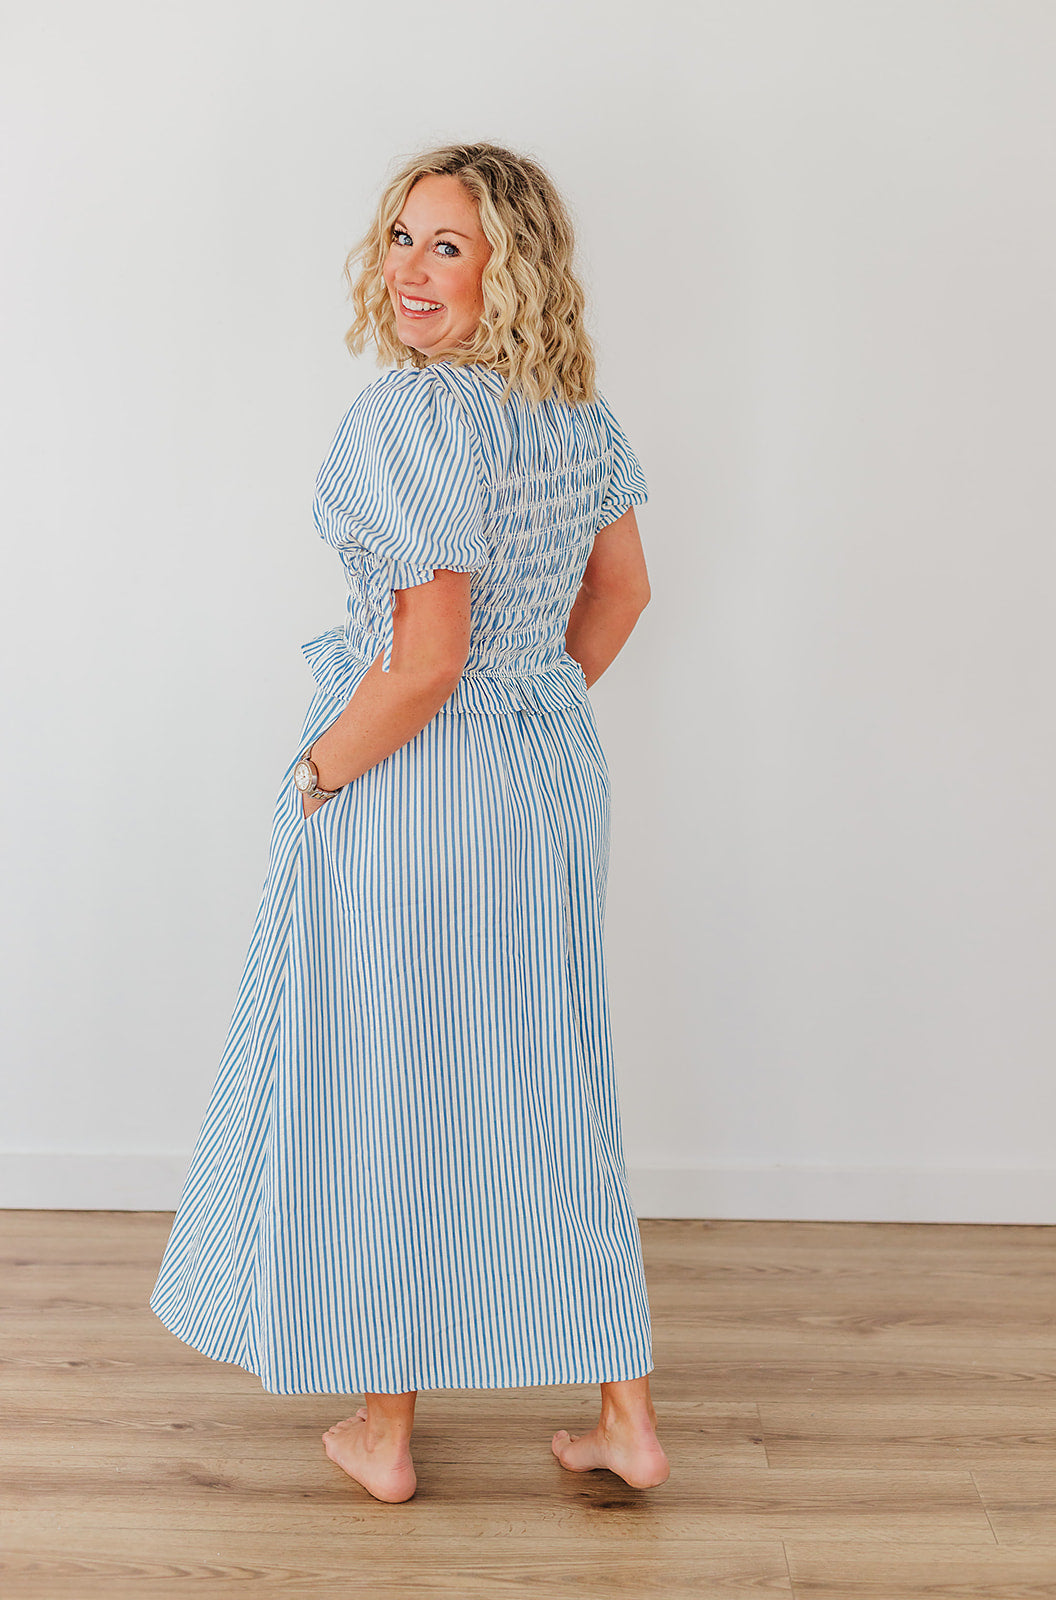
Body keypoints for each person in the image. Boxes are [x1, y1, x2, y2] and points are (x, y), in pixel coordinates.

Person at [149, 141, 669, 1503]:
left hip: (415, 784)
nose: (410, 270)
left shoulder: (410, 420)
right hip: (545, 775)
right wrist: (531, 700)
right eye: (400, 237)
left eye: (448, 244)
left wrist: (317, 773)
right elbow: (621, 591)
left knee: (395, 1081)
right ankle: (626, 1414)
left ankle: (384, 1430)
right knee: (553, 1074)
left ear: (511, 266)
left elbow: (427, 663)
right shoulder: (575, 414)